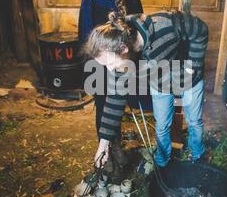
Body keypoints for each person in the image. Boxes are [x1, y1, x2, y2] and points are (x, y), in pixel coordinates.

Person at [82, 11, 209, 169]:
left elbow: (200, 29)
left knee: (194, 121)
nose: (109, 70)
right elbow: (114, 100)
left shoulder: (165, 26)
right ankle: (162, 160)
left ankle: (197, 155)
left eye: (110, 64)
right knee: (162, 124)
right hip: (160, 82)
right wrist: (103, 144)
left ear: (123, 49)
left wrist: (193, 68)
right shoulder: (120, 56)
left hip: (189, 77)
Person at [77, 0, 144, 172]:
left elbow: (138, 35)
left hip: (122, 58)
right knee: (102, 103)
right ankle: (110, 149)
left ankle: (120, 146)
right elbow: (84, 34)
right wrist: (91, 65)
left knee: (119, 100)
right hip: (98, 60)